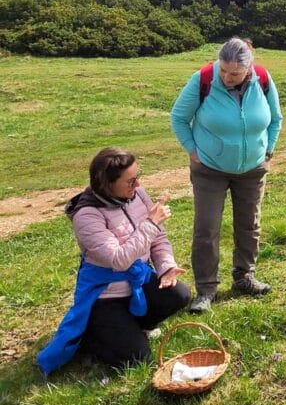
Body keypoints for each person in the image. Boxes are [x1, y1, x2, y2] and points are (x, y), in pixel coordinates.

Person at [37, 148, 190, 374]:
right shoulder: (86, 216)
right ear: (107, 184)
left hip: (136, 281)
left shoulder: (138, 195)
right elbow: (119, 260)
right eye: (130, 181)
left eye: (138, 177)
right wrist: (151, 224)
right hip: (106, 296)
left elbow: (158, 239)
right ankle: (92, 333)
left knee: (179, 294)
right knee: (137, 359)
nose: (138, 185)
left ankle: (133, 327)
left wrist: (166, 267)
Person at [170, 37, 283, 313]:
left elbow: (276, 118)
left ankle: (244, 276)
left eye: (234, 73)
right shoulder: (203, 80)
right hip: (210, 170)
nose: (227, 77)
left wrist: (268, 148)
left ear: (249, 68)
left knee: (249, 224)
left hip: (252, 169)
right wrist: (192, 150)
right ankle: (206, 290)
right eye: (223, 70)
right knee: (207, 228)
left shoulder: (263, 79)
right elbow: (178, 117)